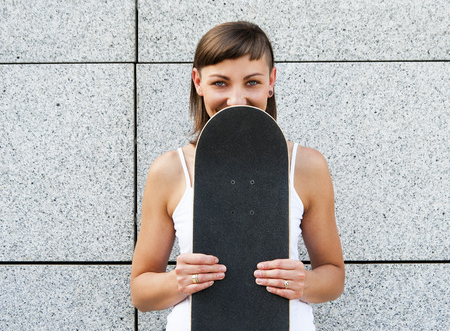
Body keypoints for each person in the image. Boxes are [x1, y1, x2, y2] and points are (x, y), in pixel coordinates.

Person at [130, 21, 345, 330]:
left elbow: (333, 276)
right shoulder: (170, 169)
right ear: (198, 82)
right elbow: (141, 292)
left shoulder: (306, 166)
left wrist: (305, 282)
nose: (236, 98)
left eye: (252, 82)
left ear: (271, 81)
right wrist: (178, 281)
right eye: (220, 83)